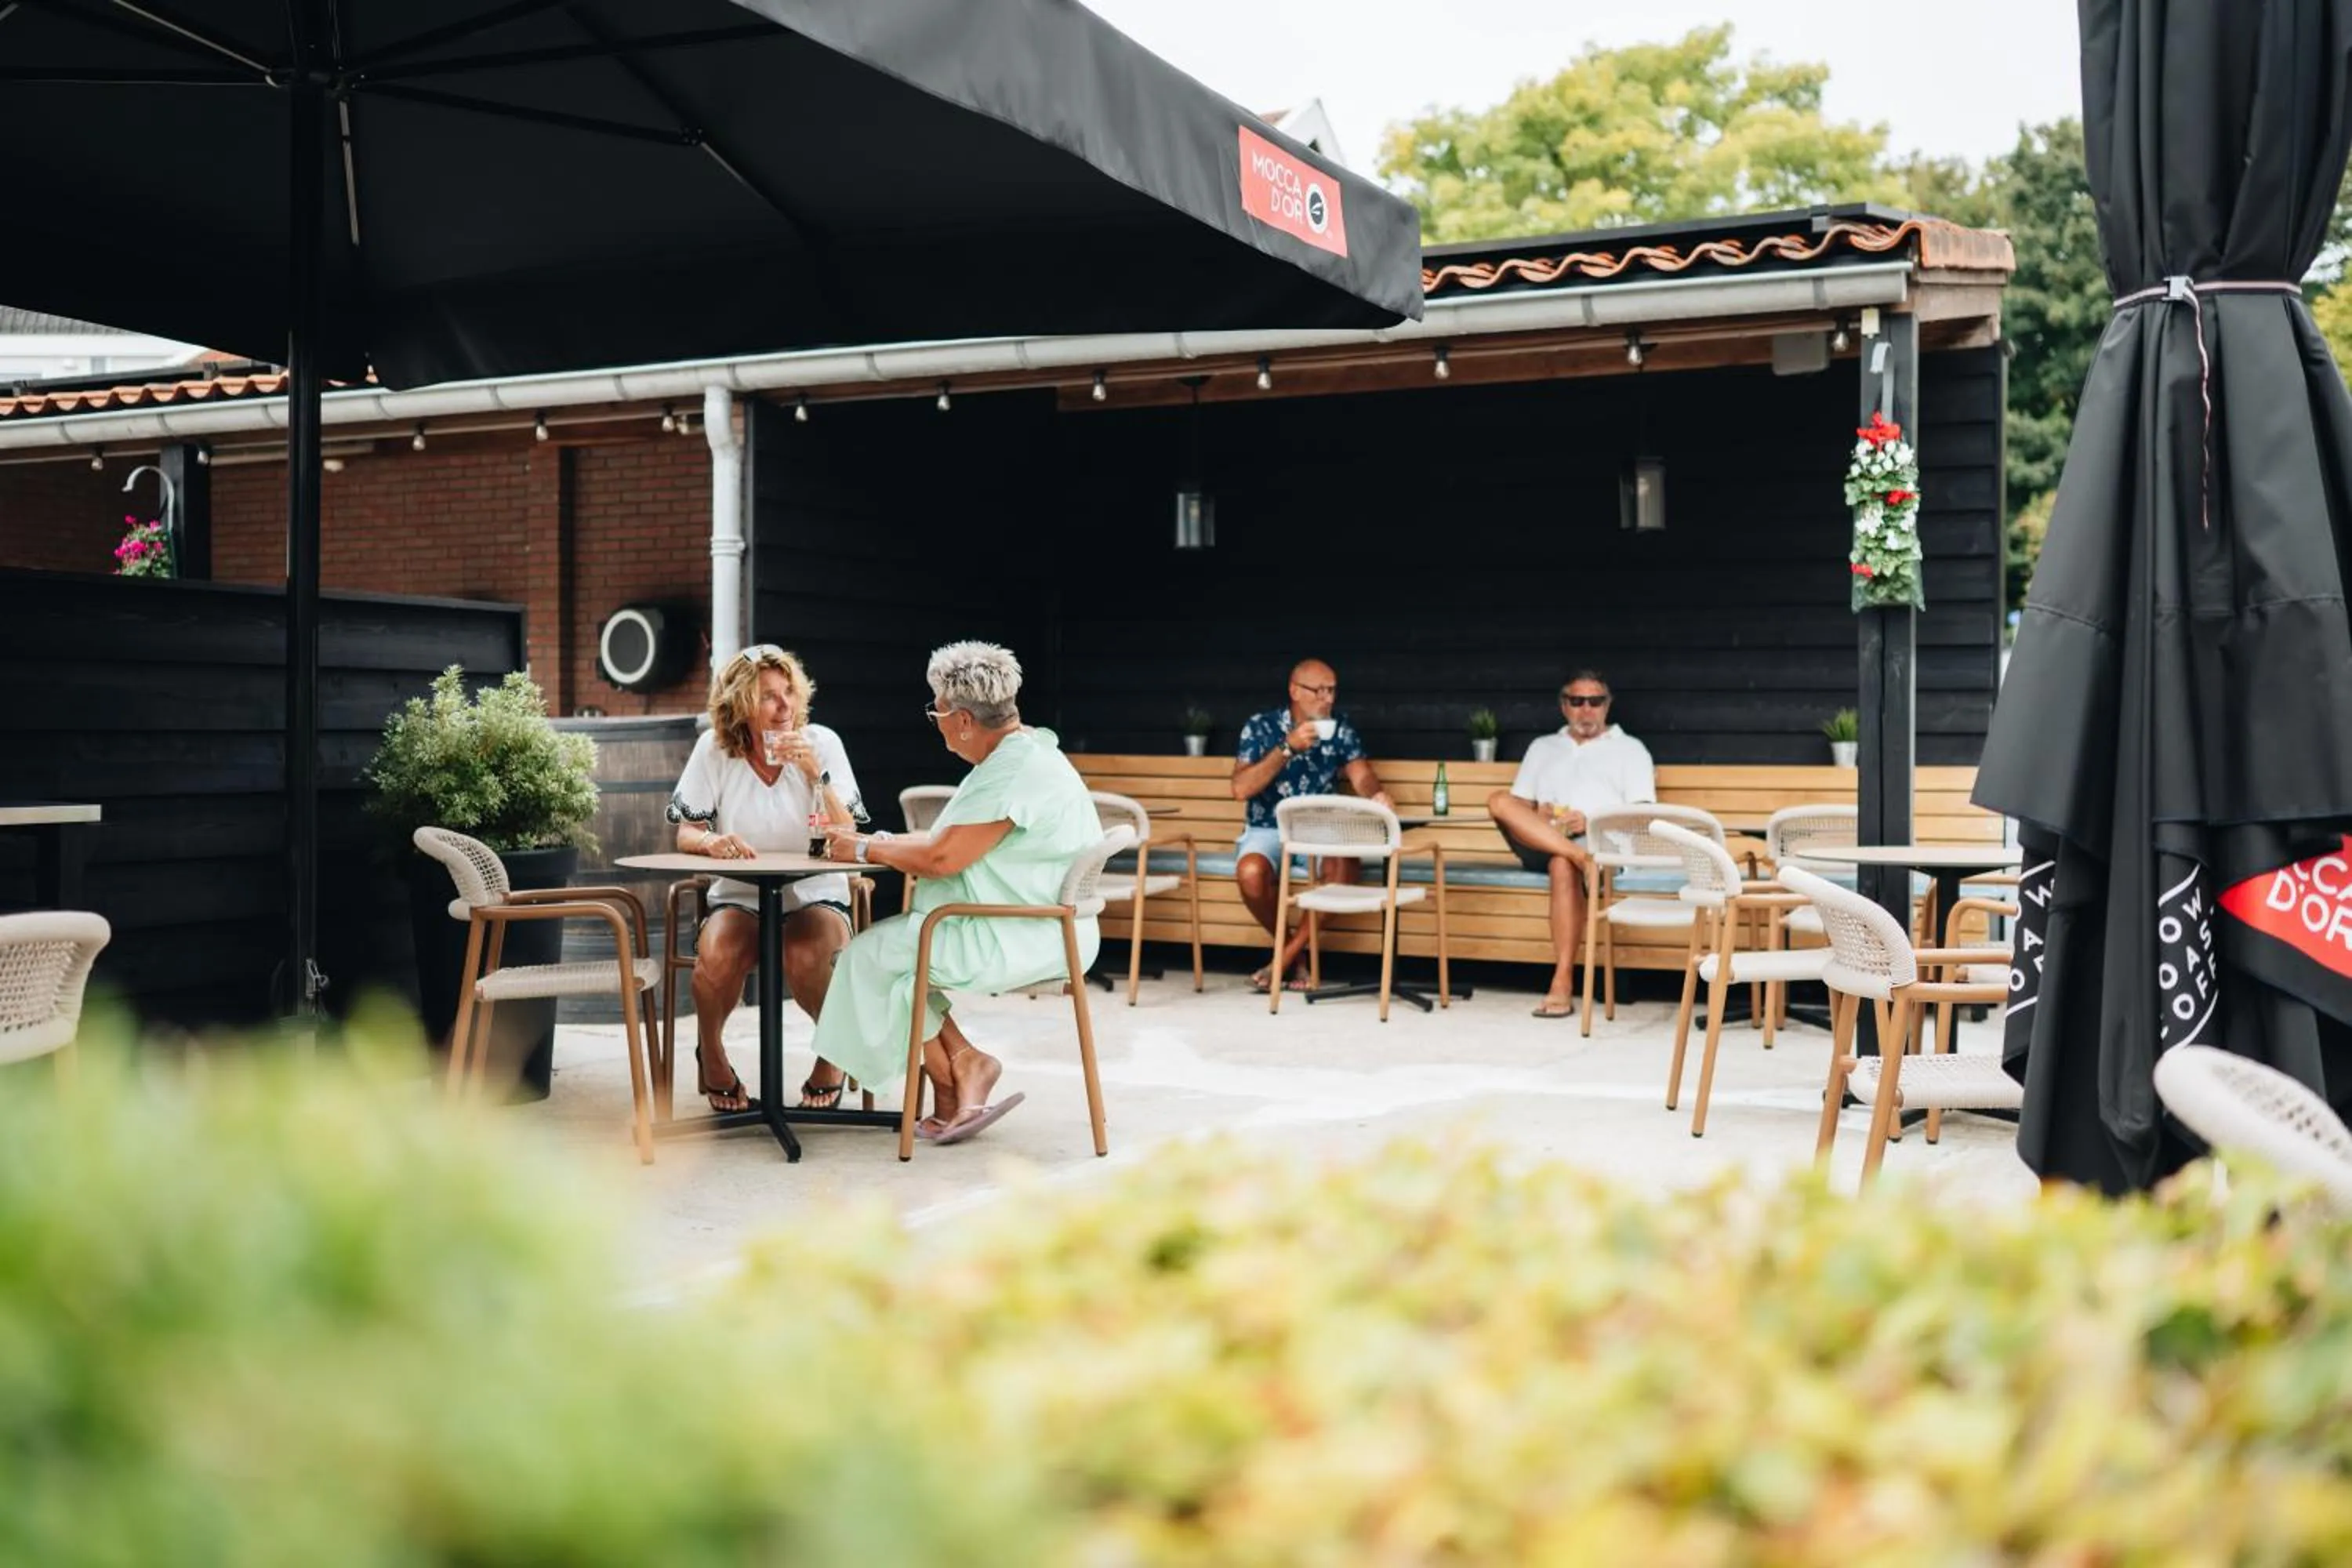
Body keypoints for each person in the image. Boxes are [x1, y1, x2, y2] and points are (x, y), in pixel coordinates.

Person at [814, 641, 1102, 1144]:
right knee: (897, 965)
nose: (936, 722)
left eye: (938, 712)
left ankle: (960, 1073)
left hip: (1022, 931)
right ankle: (959, 1073)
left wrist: (862, 852)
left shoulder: (1009, 774)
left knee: (863, 958)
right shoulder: (1029, 751)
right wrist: (870, 842)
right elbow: (948, 842)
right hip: (1039, 921)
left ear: (964, 720)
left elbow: (944, 858)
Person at [667, 644, 866, 1112]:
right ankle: (712, 1055)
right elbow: (687, 833)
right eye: (769, 697)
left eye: (789, 694)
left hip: (814, 893)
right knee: (717, 953)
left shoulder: (822, 743)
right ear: (741, 705)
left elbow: (849, 833)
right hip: (741, 894)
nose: (785, 708)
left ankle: (833, 1053)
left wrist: (814, 773)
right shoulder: (715, 750)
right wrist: (712, 843)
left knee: (807, 953)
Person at [1485, 670, 1657, 1018]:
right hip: (1548, 838)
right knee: (1499, 801)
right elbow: (1517, 809)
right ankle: (1580, 858)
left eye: (1594, 702)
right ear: (1564, 706)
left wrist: (1591, 820)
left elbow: (1642, 818)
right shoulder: (1542, 747)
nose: (1586, 710)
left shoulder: (1630, 749)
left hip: (1600, 843)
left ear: (1607, 706)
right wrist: (1538, 812)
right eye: (1577, 702)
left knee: (1560, 865)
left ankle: (1561, 982)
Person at [1231, 658, 1395, 993]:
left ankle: (1283, 959)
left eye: (1332, 690)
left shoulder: (1341, 729)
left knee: (1345, 865)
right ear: (1294, 690)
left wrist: (1376, 794)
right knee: (1250, 874)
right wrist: (1286, 748)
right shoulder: (1260, 727)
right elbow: (1240, 789)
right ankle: (1297, 957)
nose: (1328, 698)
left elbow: (1361, 775)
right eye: (1319, 690)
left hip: (1322, 830)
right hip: (1268, 829)